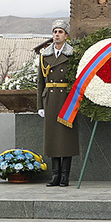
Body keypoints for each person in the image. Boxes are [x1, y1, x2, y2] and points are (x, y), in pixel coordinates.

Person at [36, 20, 79, 187]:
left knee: (66, 138)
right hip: (50, 100)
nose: (57, 35)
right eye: (55, 32)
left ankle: (65, 175)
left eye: (60, 32)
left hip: (66, 100)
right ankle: (55, 174)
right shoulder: (45, 55)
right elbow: (40, 82)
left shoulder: (72, 55)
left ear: (66, 35)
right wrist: (40, 105)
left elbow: (77, 80)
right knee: (52, 137)